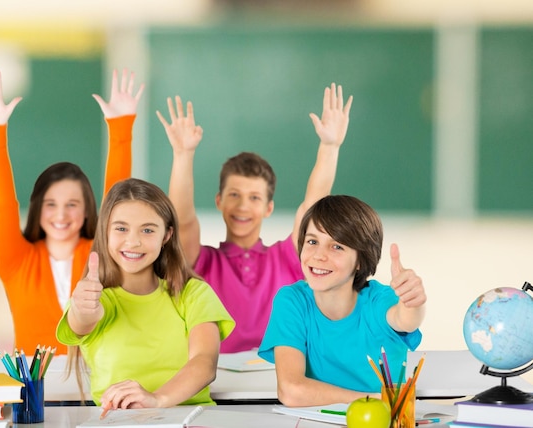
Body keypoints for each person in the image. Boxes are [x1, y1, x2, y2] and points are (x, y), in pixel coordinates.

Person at [156, 83, 352, 353]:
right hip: (215, 381)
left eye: (254, 198)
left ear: (268, 208)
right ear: (219, 201)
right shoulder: (203, 263)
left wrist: (330, 146)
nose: (243, 207)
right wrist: (183, 154)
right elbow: (183, 220)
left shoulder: (286, 258)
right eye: (234, 195)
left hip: (280, 381)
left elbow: (312, 207)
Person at [0, 68, 144, 354]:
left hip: (97, 387)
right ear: (37, 209)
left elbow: (118, 201)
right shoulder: (16, 260)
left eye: (72, 205)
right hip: (34, 389)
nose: (61, 215)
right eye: (51, 204)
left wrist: (120, 127)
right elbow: (1, 203)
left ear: (87, 210)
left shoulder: (98, 254)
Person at [56, 178, 235, 410]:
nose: (133, 241)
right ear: (105, 232)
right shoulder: (96, 299)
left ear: (166, 236)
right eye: (121, 228)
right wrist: (82, 309)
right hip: (119, 423)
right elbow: (82, 321)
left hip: (191, 419)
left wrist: (156, 399)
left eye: (148, 230)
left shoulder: (193, 293)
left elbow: (205, 362)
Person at [258, 194, 427, 406]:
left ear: (360, 260)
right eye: (312, 241)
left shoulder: (378, 300)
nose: (319, 255)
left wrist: (414, 302)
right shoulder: (292, 301)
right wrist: (373, 401)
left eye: (337, 246)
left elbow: (406, 319)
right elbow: (291, 391)